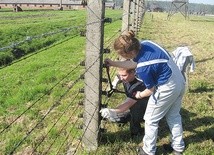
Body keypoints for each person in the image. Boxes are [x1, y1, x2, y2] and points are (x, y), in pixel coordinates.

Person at [104, 30, 186, 155]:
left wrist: (139, 95)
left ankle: (148, 151)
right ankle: (178, 147)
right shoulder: (147, 44)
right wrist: (113, 63)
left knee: (150, 119)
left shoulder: (143, 68)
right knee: (174, 116)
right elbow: (133, 62)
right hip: (179, 80)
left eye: (123, 56)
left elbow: (151, 89)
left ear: (130, 52)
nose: (124, 59)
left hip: (166, 87)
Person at [100, 68, 149, 138]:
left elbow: (129, 103)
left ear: (133, 73)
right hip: (134, 100)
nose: (122, 78)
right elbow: (118, 76)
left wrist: (113, 111)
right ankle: (124, 118)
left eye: (124, 75)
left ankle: (136, 132)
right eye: (121, 75)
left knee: (134, 107)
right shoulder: (126, 77)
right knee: (123, 112)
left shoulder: (139, 84)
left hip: (148, 107)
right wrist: (114, 83)